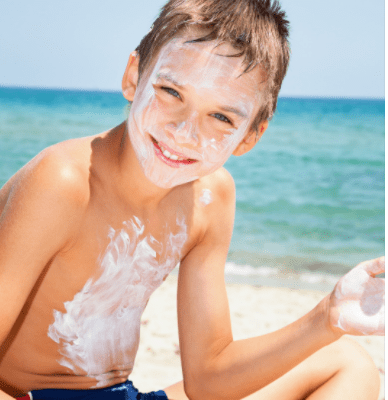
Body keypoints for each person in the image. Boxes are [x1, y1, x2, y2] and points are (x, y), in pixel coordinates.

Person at [0, 0, 384, 399]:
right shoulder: (64, 182)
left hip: (120, 394)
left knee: (347, 362)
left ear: (251, 136)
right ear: (134, 76)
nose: (184, 132)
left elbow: (208, 380)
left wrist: (327, 318)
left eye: (221, 118)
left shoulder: (210, 198)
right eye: (171, 92)